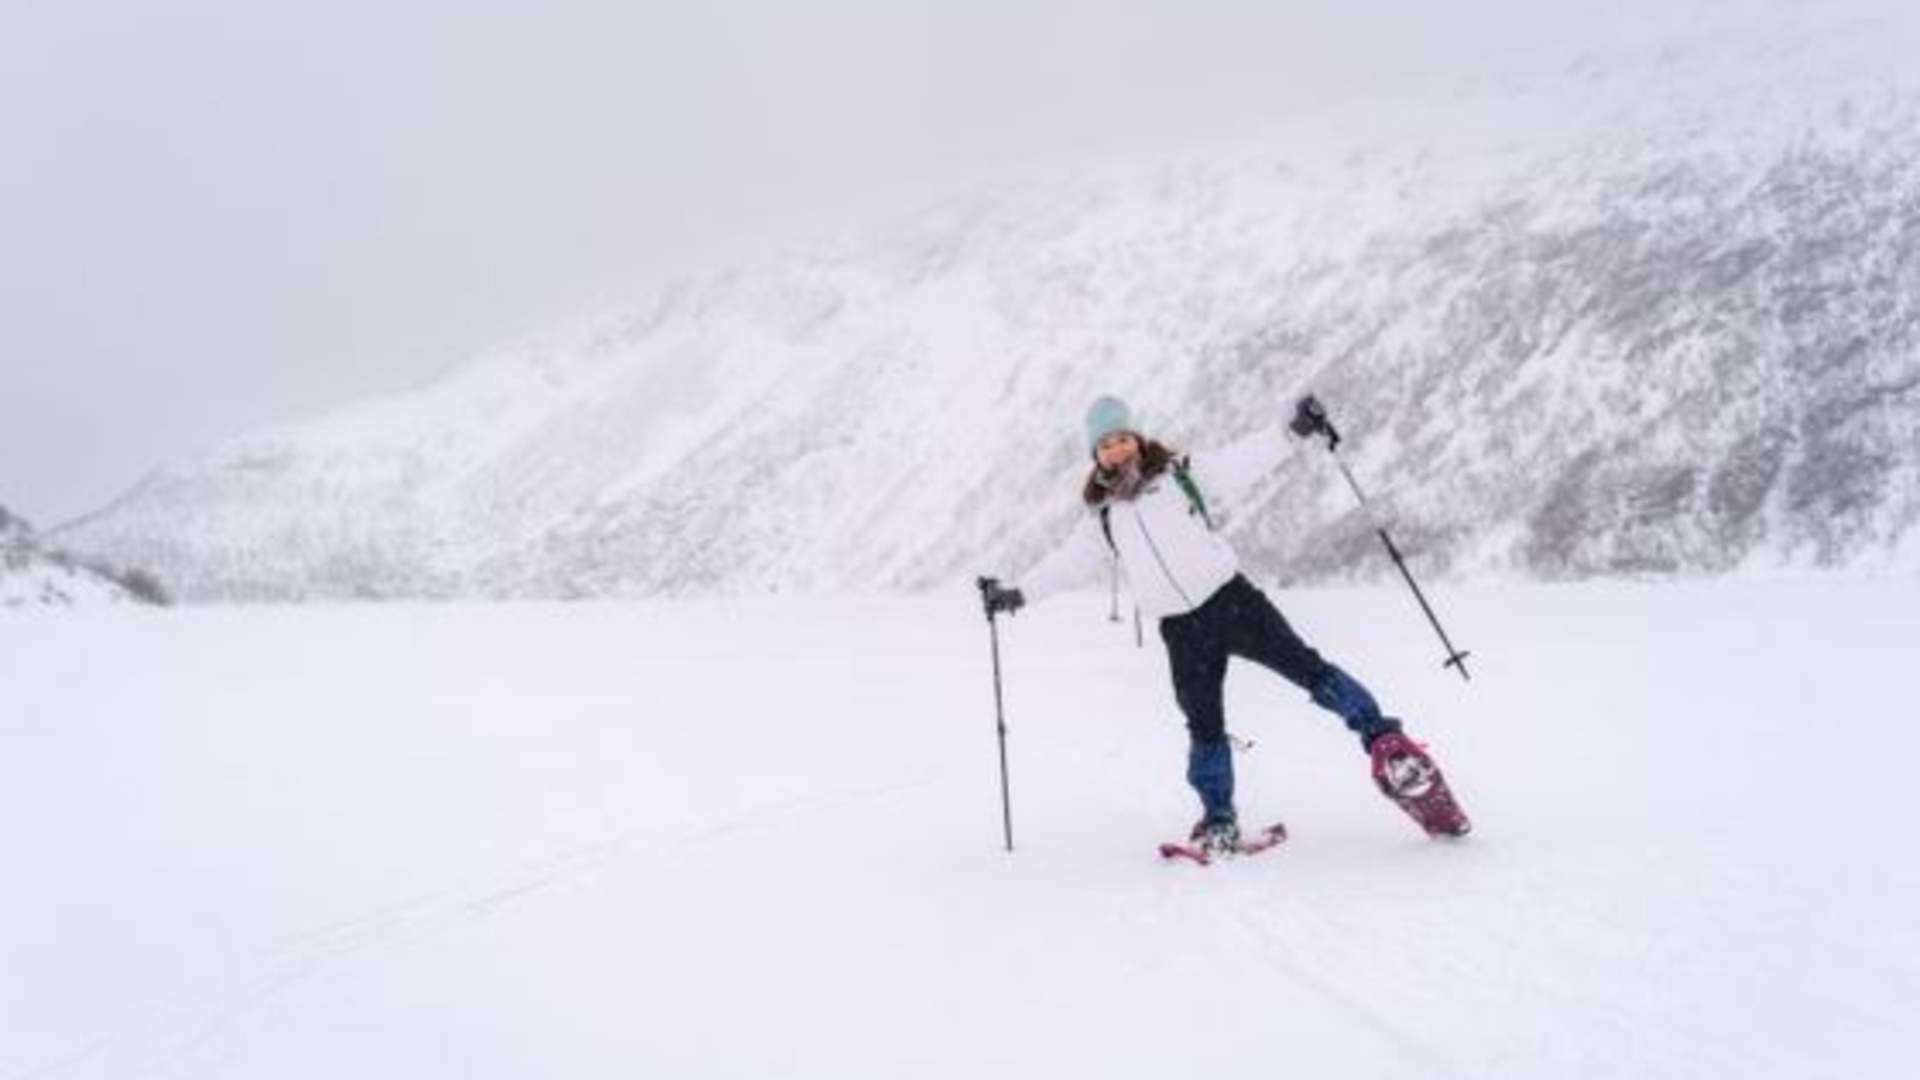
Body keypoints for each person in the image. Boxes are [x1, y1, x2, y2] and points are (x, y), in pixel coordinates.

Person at [981, 395, 1468, 851]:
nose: (1117, 448)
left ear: (1137, 437)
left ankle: (1388, 744)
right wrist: (1017, 593)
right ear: (1096, 455)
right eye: (1106, 444)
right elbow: (1066, 564)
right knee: (1204, 725)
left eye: (1122, 437)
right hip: (1181, 631)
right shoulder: (1104, 518)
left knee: (1308, 669)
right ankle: (1219, 818)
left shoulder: (1179, 474)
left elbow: (1244, 460)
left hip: (1231, 602)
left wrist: (1292, 432)